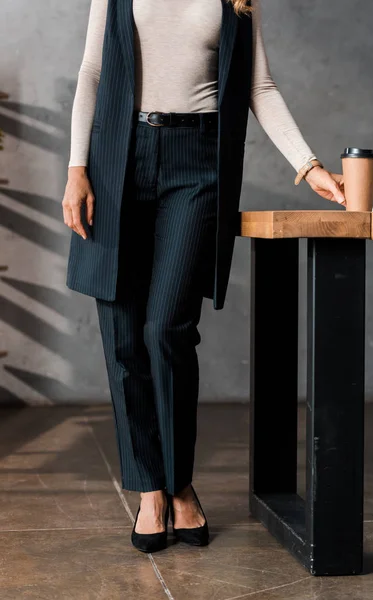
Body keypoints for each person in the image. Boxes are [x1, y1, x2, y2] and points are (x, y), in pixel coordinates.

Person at [62, 0, 346, 553]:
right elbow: (93, 69)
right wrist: (77, 168)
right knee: (122, 334)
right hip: (119, 151)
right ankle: (149, 487)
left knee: (166, 329)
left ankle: (179, 480)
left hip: (198, 161)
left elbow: (260, 86)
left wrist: (308, 165)